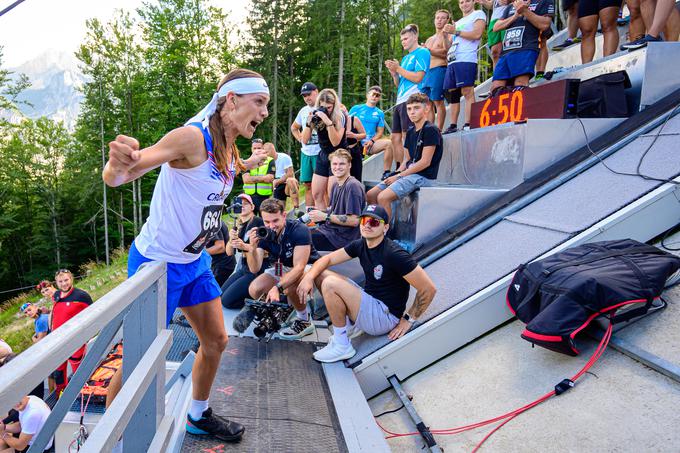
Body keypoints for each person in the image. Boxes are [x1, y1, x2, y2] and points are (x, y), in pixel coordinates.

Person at [102, 68, 271, 442]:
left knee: (216, 341)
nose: (264, 113)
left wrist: (252, 164)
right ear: (231, 100)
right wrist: (117, 163)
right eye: (259, 102)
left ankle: (198, 414)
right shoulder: (191, 138)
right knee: (139, 365)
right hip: (157, 265)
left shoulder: (228, 142)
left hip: (194, 262)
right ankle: (110, 438)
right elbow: (121, 175)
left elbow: (226, 171)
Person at [297, 204, 437, 362]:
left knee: (330, 283)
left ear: (385, 228)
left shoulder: (395, 254)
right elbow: (327, 259)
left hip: (385, 317)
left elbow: (428, 288)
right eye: (364, 220)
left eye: (374, 222)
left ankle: (342, 345)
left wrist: (408, 319)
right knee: (316, 272)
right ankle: (345, 326)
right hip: (370, 303)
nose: (368, 225)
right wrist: (308, 278)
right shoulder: (361, 244)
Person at [246, 198, 320, 340]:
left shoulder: (299, 230)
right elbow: (254, 268)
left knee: (290, 285)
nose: (271, 226)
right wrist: (252, 248)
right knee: (254, 288)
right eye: (266, 222)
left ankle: (304, 319)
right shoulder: (264, 234)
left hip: (308, 267)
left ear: (284, 216)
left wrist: (277, 288)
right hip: (282, 267)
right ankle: (281, 312)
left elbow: (299, 268)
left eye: (275, 221)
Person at [367, 93, 443, 220]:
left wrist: (399, 176)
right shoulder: (411, 132)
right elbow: (406, 160)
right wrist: (395, 173)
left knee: (382, 197)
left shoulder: (431, 130)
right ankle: (374, 226)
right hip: (408, 174)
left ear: (427, 109)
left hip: (423, 176)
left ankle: (384, 234)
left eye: (416, 108)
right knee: (371, 194)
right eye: (409, 109)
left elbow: (425, 162)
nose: (412, 112)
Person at [384, 25, 431, 179]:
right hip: (400, 99)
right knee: (394, 137)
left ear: (415, 36)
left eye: (406, 38)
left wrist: (398, 69)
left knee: (406, 134)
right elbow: (399, 83)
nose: (403, 42)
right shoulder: (405, 58)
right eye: (401, 39)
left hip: (412, 99)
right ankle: (399, 168)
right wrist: (394, 73)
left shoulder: (422, 52)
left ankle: (408, 165)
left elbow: (418, 77)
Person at [307, 149, 366, 251]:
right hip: (329, 231)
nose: (337, 167)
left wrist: (324, 216)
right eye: (334, 164)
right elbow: (335, 212)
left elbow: (354, 220)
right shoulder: (336, 185)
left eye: (342, 164)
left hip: (341, 239)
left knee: (299, 239)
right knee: (298, 232)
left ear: (349, 165)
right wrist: (319, 213)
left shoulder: (352, 186)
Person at [442, 0, 487, 133]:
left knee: (467, 91)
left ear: (473, 2)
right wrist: (445, 36)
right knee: (453, 94)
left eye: (467, 1)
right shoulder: (458, 22)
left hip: (466, 58)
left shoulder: (478, 14)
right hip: (452, 60)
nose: (464, 4)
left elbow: (477, 34)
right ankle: (453, 125)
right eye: (461, 2)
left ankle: (469, 122)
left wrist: (455, 31)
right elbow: (447, 47)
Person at [491, 0, 555, 91]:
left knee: (520, 85)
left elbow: (545, 24)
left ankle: (540, 72)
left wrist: (524, 11)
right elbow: (496, 27)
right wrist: (515, 16)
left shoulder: (543, 2)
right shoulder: (511, 6)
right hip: (506, 53)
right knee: (495, 89)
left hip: (526, 48)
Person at [301, 88, 348, 210]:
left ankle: (334, 222)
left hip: (338, 155)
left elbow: (336, 142)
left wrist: (328, 122)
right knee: (316, 193)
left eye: (329, 107)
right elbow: (304, 140)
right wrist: (308, 124)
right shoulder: (316, 115)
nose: (326, 110)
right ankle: (322, 223)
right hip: (323, 154)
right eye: (323, 107)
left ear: (334, 106)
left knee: (333, 195)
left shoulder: (340, 116)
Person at [221, 194, 267, 310]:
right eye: (239, 203)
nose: (242, 206)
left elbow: (263, 249)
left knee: (227, 302)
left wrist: (244, 246)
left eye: (246, 203)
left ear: (252, 207)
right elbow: (229, 253)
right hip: (244, 268)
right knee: (220, 294)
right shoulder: (240, 225)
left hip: (257, 269)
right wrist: (231, 239)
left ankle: (259, 300)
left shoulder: (258, 223)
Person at [51, 269, 93, 396]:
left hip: (75, 340)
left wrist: (87, 334)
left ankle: (81, 395)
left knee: (77, 369)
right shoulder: (56, 295)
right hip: (57, 339)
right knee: (59, 371)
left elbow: (94, 314)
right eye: (60, 281)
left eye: (66, 280)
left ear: (71, 279)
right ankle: (61, 395)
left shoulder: (81, 296)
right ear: (56, 283)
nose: (64, 283)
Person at [348, 86, 393, 181]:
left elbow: (380, 132)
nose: (374, 97)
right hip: (354, 143)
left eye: (377, 95)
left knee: (389, 143)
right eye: (372, 94)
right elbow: (347, 124)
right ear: (367, 95)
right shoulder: (356, 108)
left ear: (379, 98)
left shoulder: (379, 113)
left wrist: (372, 141)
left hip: (369, 144)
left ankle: (386, 173)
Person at [291, 82, 321, 207]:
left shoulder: (325, 107)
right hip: (306, 153)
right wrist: (300, 138)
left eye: (309, 94)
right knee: (308, 185)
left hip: (320, 152)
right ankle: (309, 214)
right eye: (304, 96)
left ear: (316, 92)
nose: (307, 98)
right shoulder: (303, 111)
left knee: (320, 185)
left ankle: (323, 212)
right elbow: (294, 127)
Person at [423, 10, 453, 131]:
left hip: (439, 69)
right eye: (437, 18)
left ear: (447, 20)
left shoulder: (448, 35)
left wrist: (429, 51)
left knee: (438, 101)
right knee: (428, 104)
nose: (439, 20)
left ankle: (438, 130)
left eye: (442, 18)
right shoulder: (429, 39)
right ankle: (430, 130)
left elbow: (446, 52)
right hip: (427, 73)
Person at [242, 138, 275, 212]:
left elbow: (269, 178)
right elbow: (246, 180)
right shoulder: (247, 161)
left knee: (263, 220)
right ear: (251, 149)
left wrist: (252, 178)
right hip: (249, 197)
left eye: (259, 148)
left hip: (264, 197)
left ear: (263, 148)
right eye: (254, 148)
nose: (257, 150)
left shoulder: (270, 160)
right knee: (250, 221)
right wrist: (263, 178)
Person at [265, 142, 300, 211]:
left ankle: (296, 209)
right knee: (279, 208)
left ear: (273, 150)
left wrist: (278, 181)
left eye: (267, 152)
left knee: (290, 180)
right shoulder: (266, 162)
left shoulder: (284, 157)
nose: (266, 154)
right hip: (277, 186)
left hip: (287, 184)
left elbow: (290, 173)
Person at [479, 0, 512, 66]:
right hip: (494, 21)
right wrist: (483, 2)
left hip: (508, 17)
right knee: (495, 52)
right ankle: (497, 75)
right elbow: (492, 5)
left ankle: (511, 73)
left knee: (508, 49)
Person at [205, 218, 235, 287]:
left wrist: (199, 252)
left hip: (222, 265)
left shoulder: (212, 222)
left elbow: (220, 247)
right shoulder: (214, 220)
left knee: (213, 291)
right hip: (222, 264)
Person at [341, 104, 367, 182]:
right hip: (342, 152)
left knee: (356, 177)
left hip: (355, 150)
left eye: (345, 111)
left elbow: (364, 135)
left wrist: (354, 135)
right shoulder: (336, 122)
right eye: (341, 113)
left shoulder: (354, 120)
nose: (344, 114)